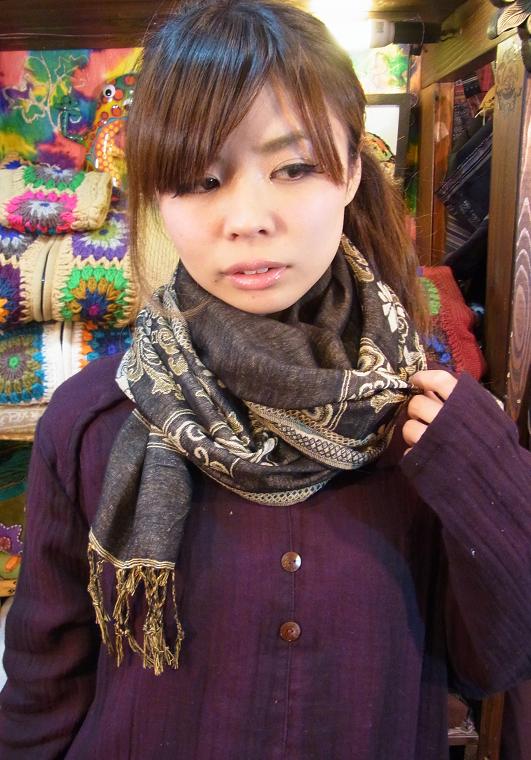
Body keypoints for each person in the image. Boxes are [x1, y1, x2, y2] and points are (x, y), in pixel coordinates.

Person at [0, 1, 530, 758]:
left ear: (351, 171)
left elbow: (492, 665)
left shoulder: (430, 425)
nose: (246, 218)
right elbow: (41, 694)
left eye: (294, 167)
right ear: (157, 197)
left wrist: (487, 476)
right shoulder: (93, 419)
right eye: (199, 178)